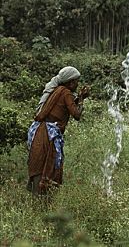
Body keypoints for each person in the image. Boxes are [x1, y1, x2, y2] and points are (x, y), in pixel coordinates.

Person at [27, 66, 90, 195]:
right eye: (76, 81)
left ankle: (38, 198)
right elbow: (76, 114)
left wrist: (78, 98)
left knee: (39, 163)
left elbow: (67, 106)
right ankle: (44, 199)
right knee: (49, 164)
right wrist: (82, 99)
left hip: (40, 131)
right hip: (48, 134)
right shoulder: (65, 92)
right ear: (70, 82)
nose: (77, 84)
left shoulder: (58, 90)